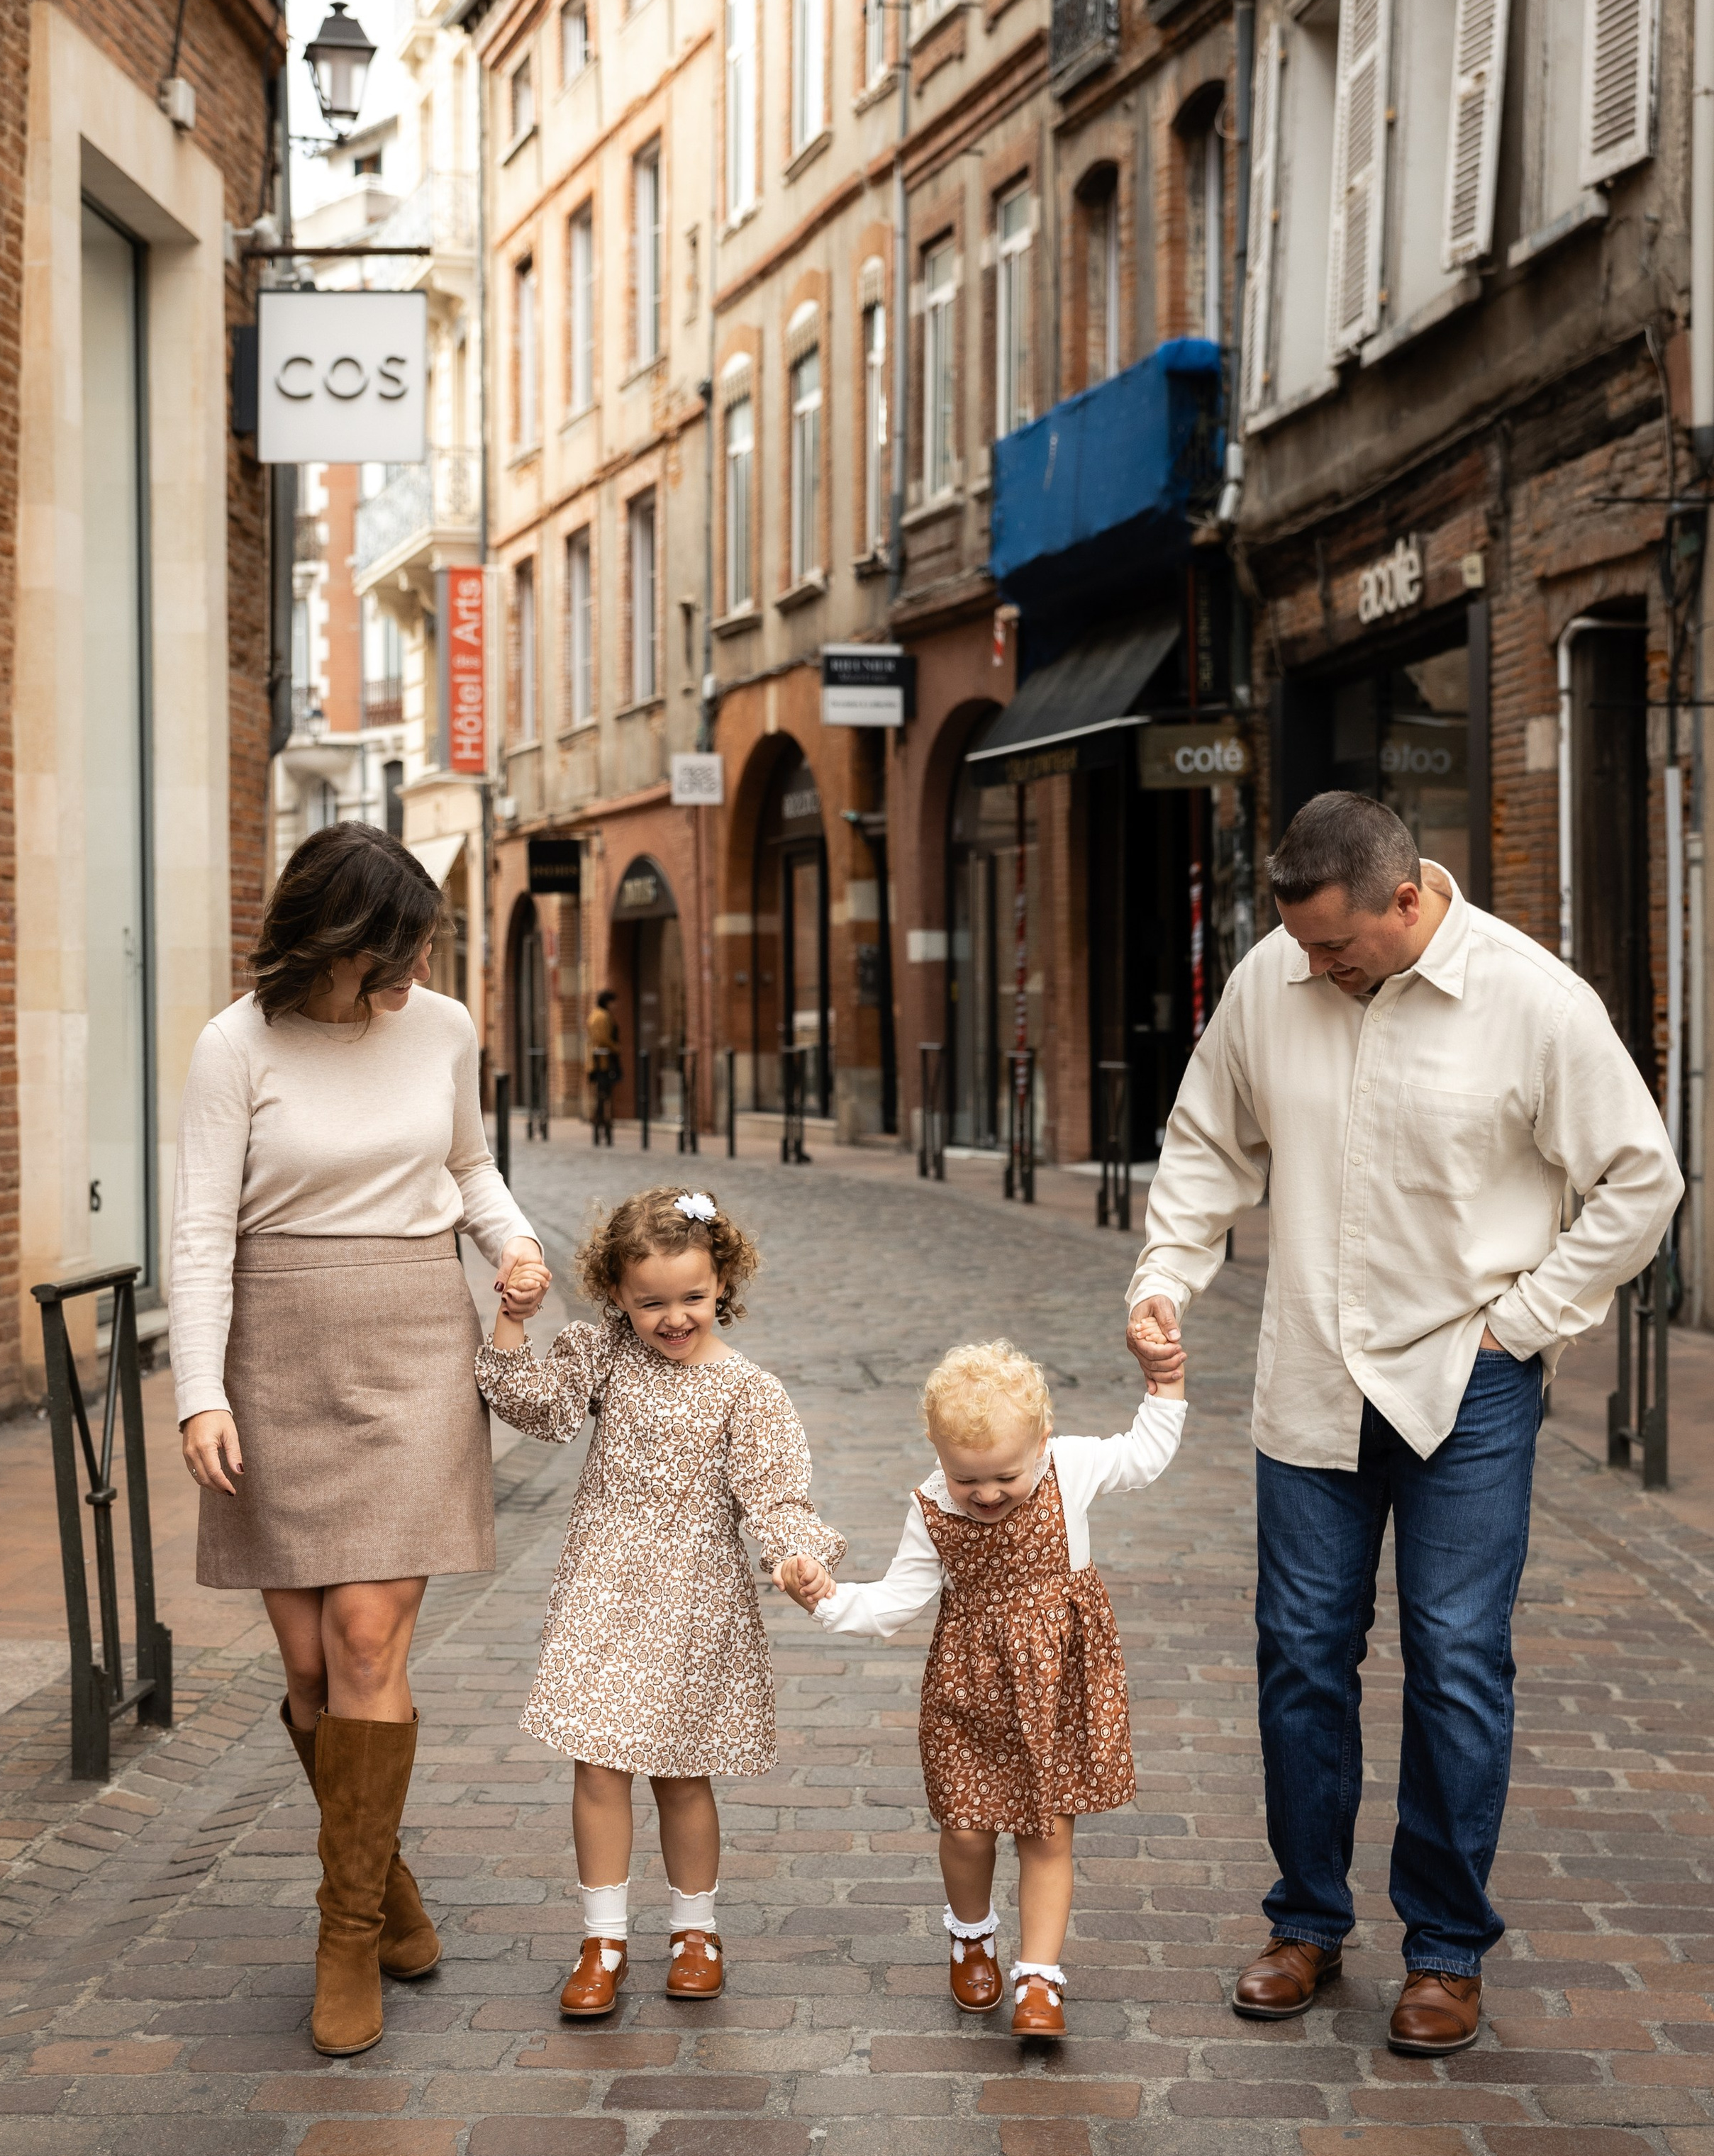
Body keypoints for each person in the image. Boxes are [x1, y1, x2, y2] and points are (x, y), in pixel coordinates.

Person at [1128, 791, 1681, 2055]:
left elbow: (1641, 1177)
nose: (1312, 969)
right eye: (1302, 947)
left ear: (1409, 897)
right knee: (1300, 1654)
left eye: (1337, 948)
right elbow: (1207, 1141)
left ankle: (1445, 1949)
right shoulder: (1276, 975)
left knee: (1458, 1659)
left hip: (1467, 1378)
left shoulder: (1534, 1002)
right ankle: (1307, 1924)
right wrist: (1164, 1278)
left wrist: (1531, 1317)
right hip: (1313, 1373)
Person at [169, 824, 550, 2060]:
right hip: (275, 1354)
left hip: (410, 1345)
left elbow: (471, 1163)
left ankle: (344, 1939)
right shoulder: (235, 1045)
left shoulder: (438, 1027)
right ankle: (389, 1894)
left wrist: (511, 1243)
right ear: (335, 937)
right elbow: (201, 1233)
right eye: (395, 948)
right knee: (309, 1674)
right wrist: (198, 1392)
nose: (413, 970)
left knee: (368, 1635)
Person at [476, 1185, 842, 2016]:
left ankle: (693, 1930)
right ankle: (602, 1937)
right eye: (650, 1303)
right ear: (614, 1294)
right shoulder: (603, 1352)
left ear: (723, 1287)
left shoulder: (747, 1392)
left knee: (682, 1775)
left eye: (693, 1298)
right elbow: (536, 1409)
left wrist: (796, 1558)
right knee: (599, 1766)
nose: (674, 1318)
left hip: (694, 1602)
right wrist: (512, 1321)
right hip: (602, 1590)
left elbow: (776, 1497)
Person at [781, 1335, 1186, 2037]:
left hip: (1058, 1685)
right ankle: (970, 1935)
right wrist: (825, 1597)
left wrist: (1166, 1386)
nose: (987, 1493)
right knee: (967, 1831)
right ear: (939, 1455)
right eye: (968, 1479)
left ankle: (1039, 1978)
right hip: (966, 1692)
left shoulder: (1073, 1467)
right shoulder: (934, 1509)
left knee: (1046, 1831)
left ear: (1042, 1442)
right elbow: (893, 1604)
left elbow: (1143, 1456)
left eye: (1005, 1475)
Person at [588, 985, 622, 1144]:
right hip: (603, 1061)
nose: (614, 1006)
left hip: (599, 1060)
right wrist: (616, 1048)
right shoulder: (602, 1016)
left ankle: (600, 1121)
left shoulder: (596, 1014)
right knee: (603, 1093)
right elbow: (603, 1038)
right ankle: (600, 1120)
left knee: (602, 1093)